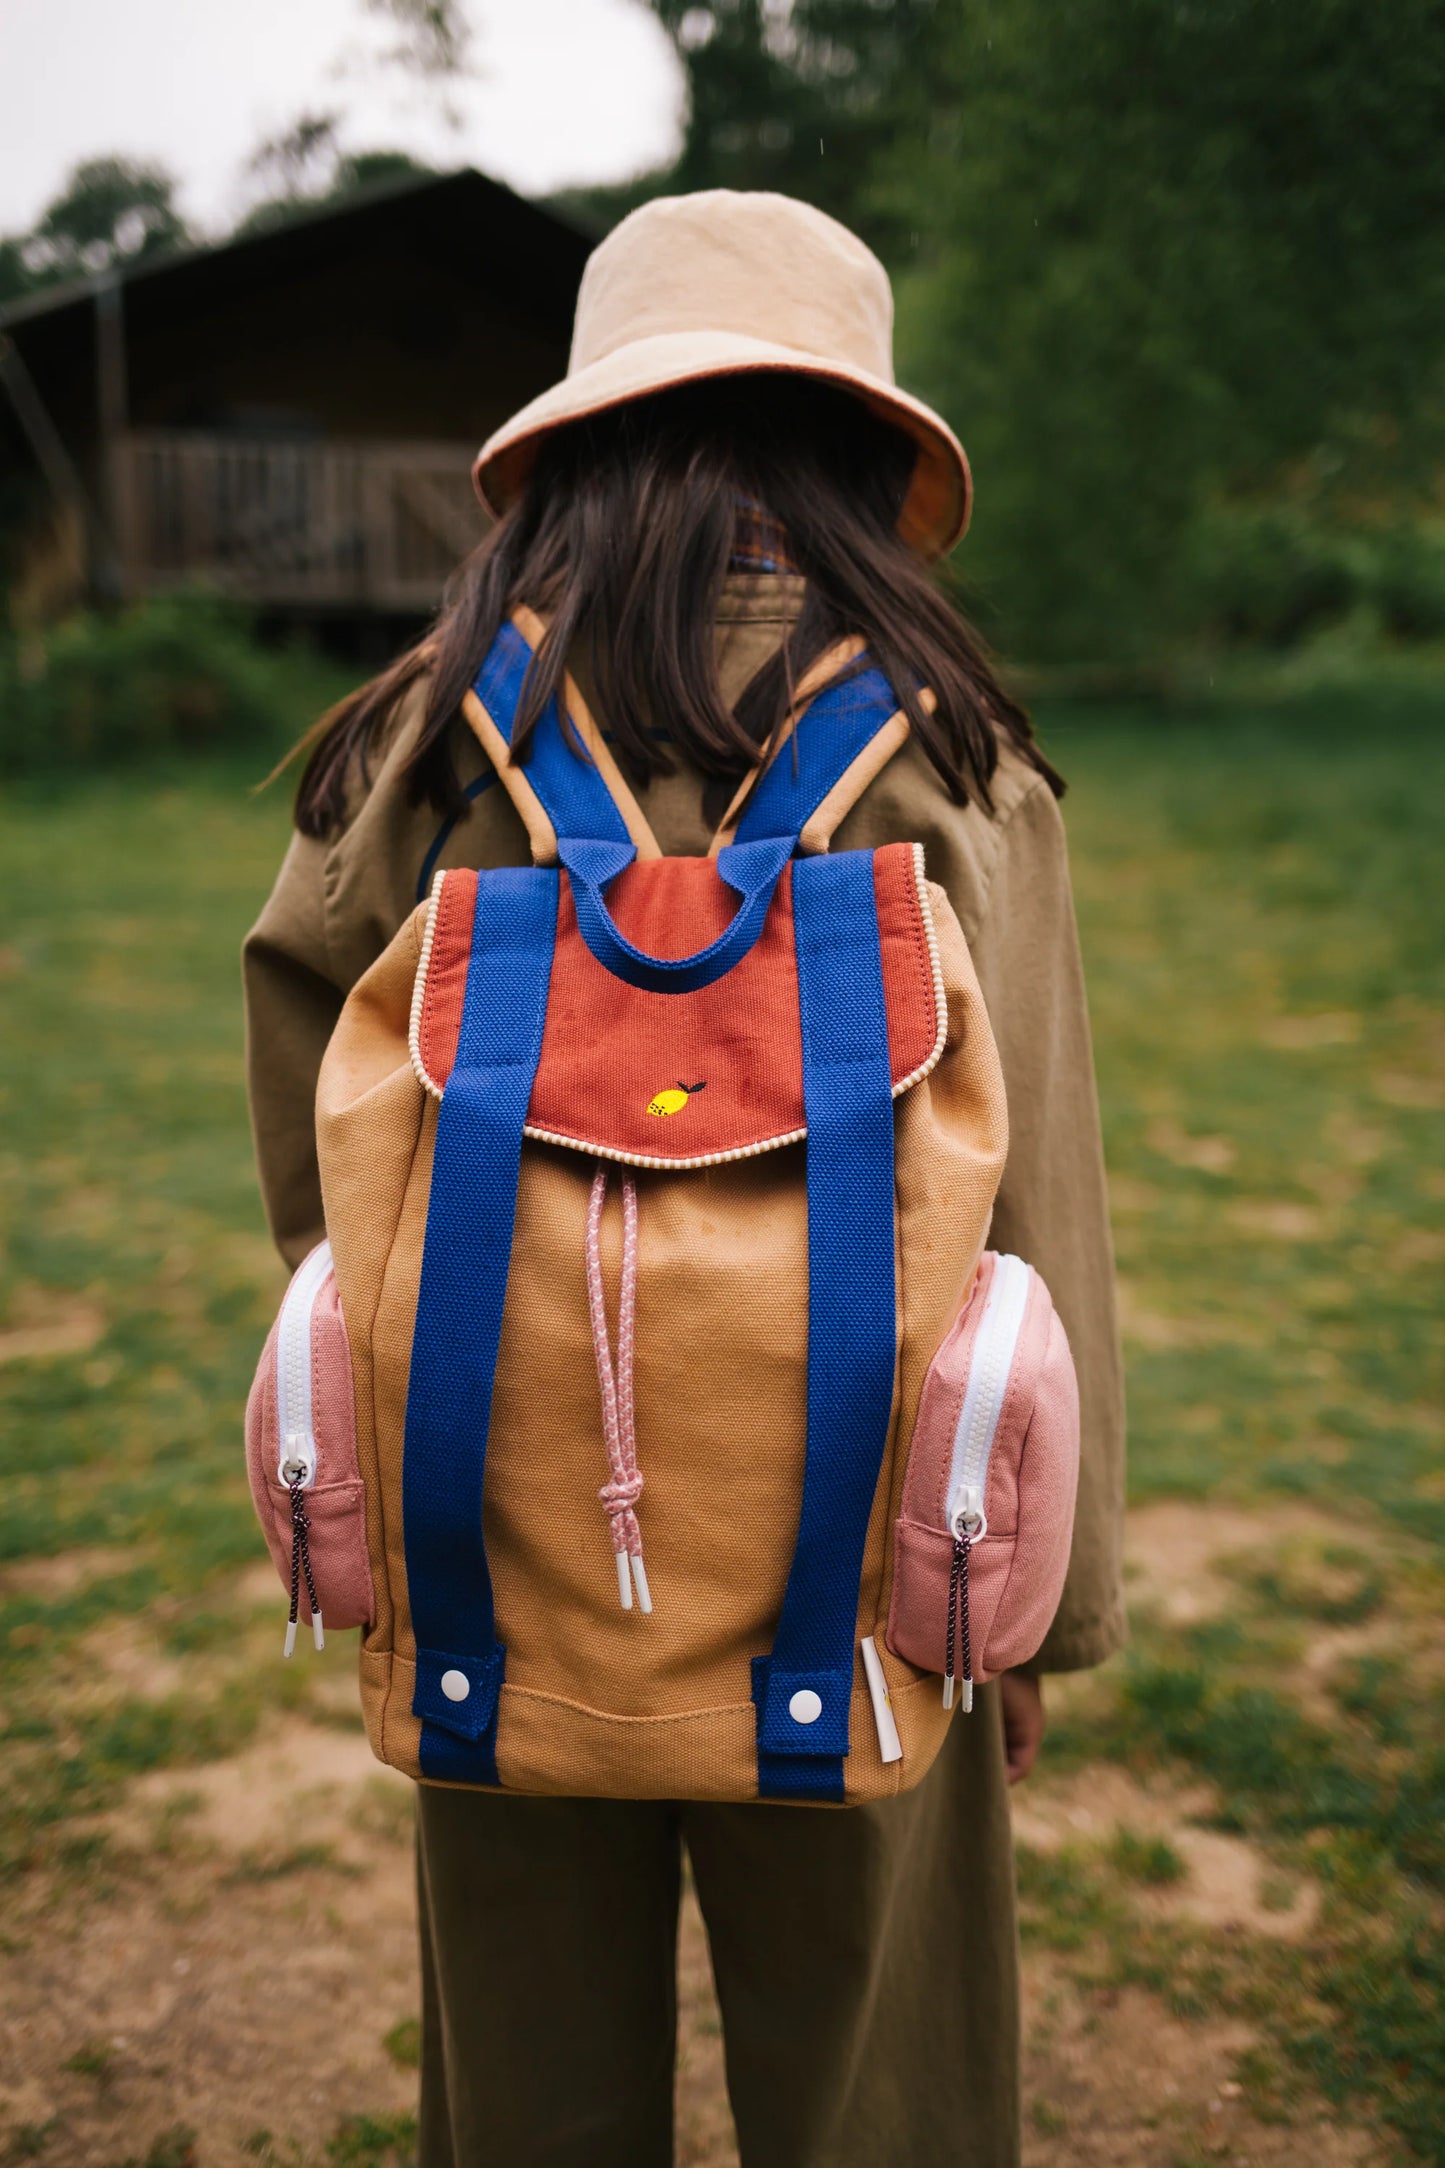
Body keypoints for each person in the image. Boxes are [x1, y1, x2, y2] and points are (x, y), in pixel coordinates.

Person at [244, 190, 1124, 2168]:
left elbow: (315, 1105)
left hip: (501, 1537)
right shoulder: (957, 761)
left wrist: (409, 1400)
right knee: (881, 2075)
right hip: (873, 1551)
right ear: (858, 450)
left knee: (529, 2066)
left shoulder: (420, 745)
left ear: (572, 445)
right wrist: (1044, 1616)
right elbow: (1040, 1197)